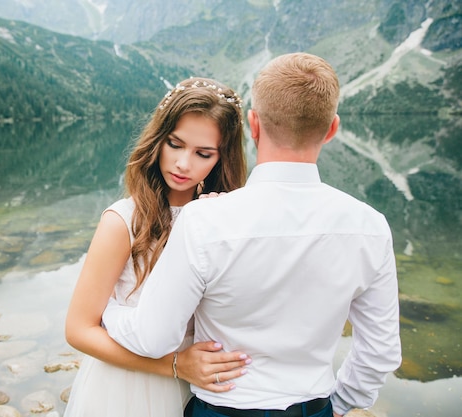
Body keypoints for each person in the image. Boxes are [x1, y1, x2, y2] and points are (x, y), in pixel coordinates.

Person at [102, 53, 402, 417]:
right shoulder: (370, 226)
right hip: (315, 406)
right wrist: (339, 404)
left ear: (254, 125)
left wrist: (111, 312)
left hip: (224, 409)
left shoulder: (204, 220)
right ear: (332, 128)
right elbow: (380, 351)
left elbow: (154, 339)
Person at [64, 77, 251, 417]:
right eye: (175, 144)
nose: (183, 163)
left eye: (202, 153)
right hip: (128, 387)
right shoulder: (123, 221)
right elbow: (78, 330)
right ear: (157, 140)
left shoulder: (226, 217)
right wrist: (176, 366)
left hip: (201, 389)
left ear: (221, 159)